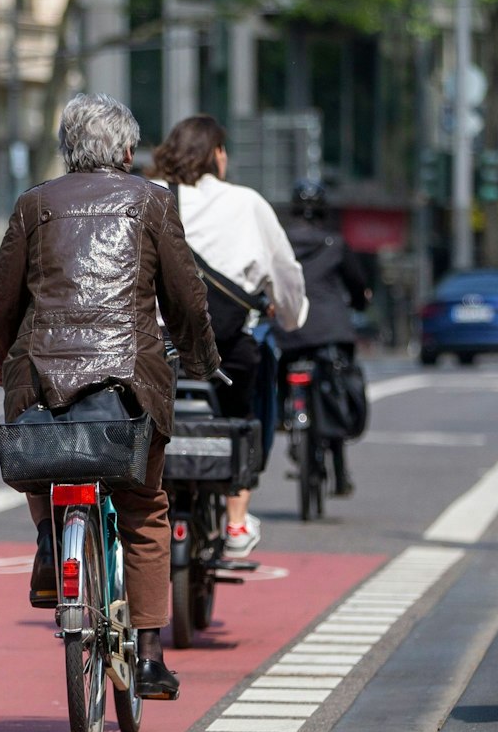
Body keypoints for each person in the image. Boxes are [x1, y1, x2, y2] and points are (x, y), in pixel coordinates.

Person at [0, 93, 221, 701]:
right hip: (129, 379)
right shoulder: (151, 201)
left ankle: (49, 543)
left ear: (69, 149)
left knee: (45, 463)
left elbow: (2, 301)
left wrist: (1, 362)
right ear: (125, 150)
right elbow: (187, 297)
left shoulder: (33, 204)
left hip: (42, 376)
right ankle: (148, 656)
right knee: (145, 508)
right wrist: (199, 359)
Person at [150, 115, 306, 558]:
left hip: (158, 348)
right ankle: (237, 522)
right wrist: (291, 316)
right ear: (217, 154)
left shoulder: (150, 197)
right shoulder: (248, 203)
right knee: (245, 415)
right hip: (224, 349)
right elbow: (285, 273)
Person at [280, 178, 373, 497]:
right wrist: (360, 302)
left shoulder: (279, 242)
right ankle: (340, 470)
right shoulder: (335, 244)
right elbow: (358, 286)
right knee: (335, 391)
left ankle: (285, 416)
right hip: (331, 331)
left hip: (287, 331)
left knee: (273, 373)